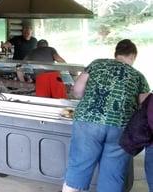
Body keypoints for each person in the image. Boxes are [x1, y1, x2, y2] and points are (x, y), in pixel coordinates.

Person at [63, 39, 149, 192]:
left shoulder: (96, 64)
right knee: (113, 173)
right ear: (133, 55)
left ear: (116, 53)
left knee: (79, 166)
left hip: (88, 121)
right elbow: (145, 105)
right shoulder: (138, 76)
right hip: (121, 126)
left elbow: (77, 91)